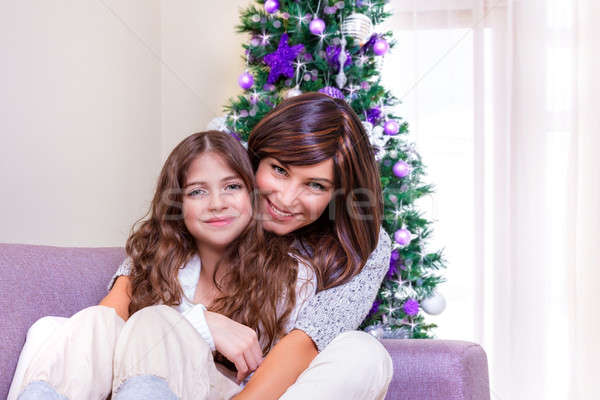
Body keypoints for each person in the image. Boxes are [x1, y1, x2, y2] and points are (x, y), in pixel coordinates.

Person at [10, 130, 319, 399]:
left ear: (252, 195)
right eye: (197, 191)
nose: (216, 203)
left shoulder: (291, 276)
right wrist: (204, 324)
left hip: (220, 392)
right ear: (178, 205)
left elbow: (281, 383)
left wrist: (186, 327)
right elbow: (111, 334)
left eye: (231, 187)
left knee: (155, 320)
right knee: (94, 321)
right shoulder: (157, 256)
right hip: (131, 383)